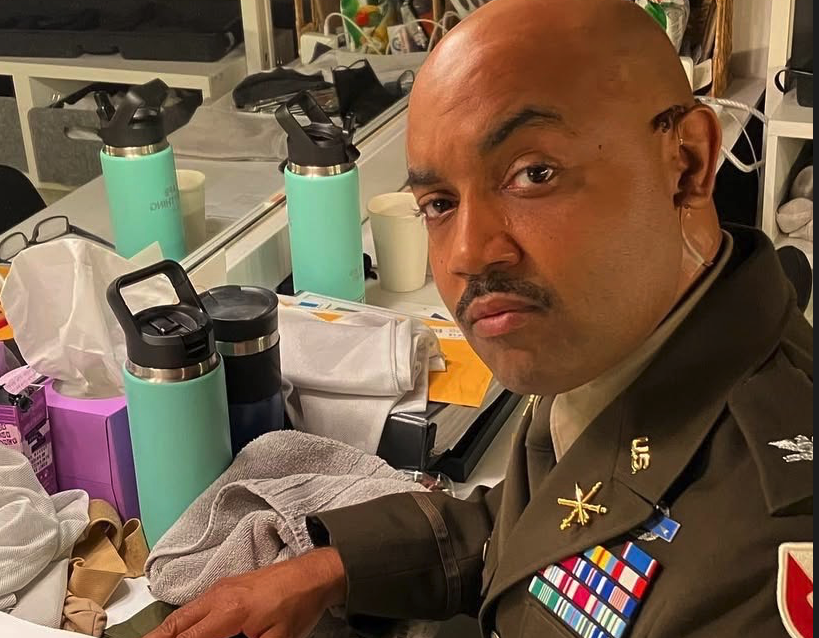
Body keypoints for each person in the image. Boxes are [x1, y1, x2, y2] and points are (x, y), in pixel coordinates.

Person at [147, 0, 813, 636]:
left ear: (686, 163)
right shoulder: (624, 342)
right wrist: (333, 567)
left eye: (534, 173)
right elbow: (538, 524)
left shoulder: (761, 557)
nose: (468, 254)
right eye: (439, 203)